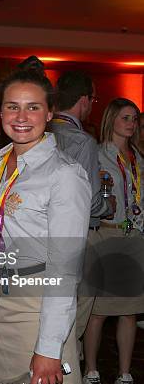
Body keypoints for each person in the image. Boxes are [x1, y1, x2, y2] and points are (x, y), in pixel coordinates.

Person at [0, 68, 90, 384]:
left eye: (33, 107)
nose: (21, 117)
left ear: (50, 112)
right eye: (12, 107)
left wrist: (49, 347)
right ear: (0, 113)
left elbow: (64, 268)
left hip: (35, 310)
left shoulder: (64, 174)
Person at [50, 71, 115, 367]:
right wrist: (108, 203)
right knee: (73, 320)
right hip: (77, 239)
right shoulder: (82, 142)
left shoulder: (42, 131)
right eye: (93, 99)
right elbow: (89, 203)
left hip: (43, 238)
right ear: (84, 100)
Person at [82, 97, 143, 384]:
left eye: (134, 118)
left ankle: (124, 374)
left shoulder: (138, 158)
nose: (131, 124)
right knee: (99, 311)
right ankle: (91, 371)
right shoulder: (98, 154)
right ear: (111, 120)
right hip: (106, 236)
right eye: (125, 118)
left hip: (134, 238)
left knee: (129, 310)